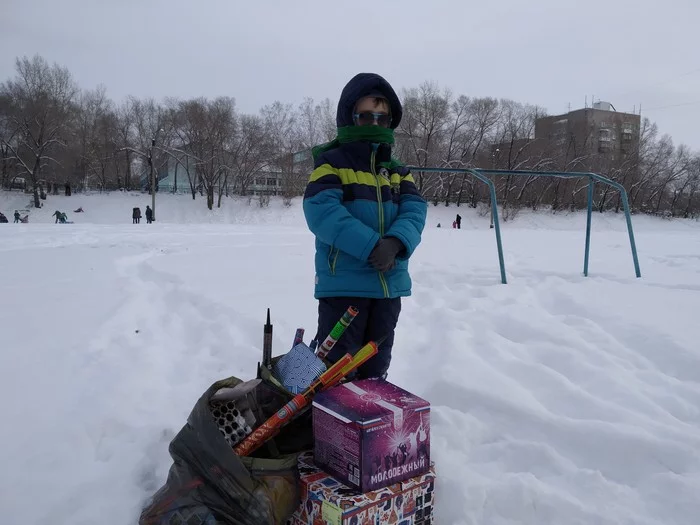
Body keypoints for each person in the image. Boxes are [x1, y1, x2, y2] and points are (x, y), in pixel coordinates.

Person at [302, 72, 427, 380]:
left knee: (375, 367)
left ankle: (366, 424)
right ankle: (323, 425)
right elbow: (321, 211)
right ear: (349, 117)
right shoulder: (332, 163)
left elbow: (415, 209)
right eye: (366, 116)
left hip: (388, 287)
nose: (375, 123)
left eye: (382, 118)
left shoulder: (397, 170)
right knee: (334, 370)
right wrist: (372, 245)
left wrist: (396, 243)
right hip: (345, 286)